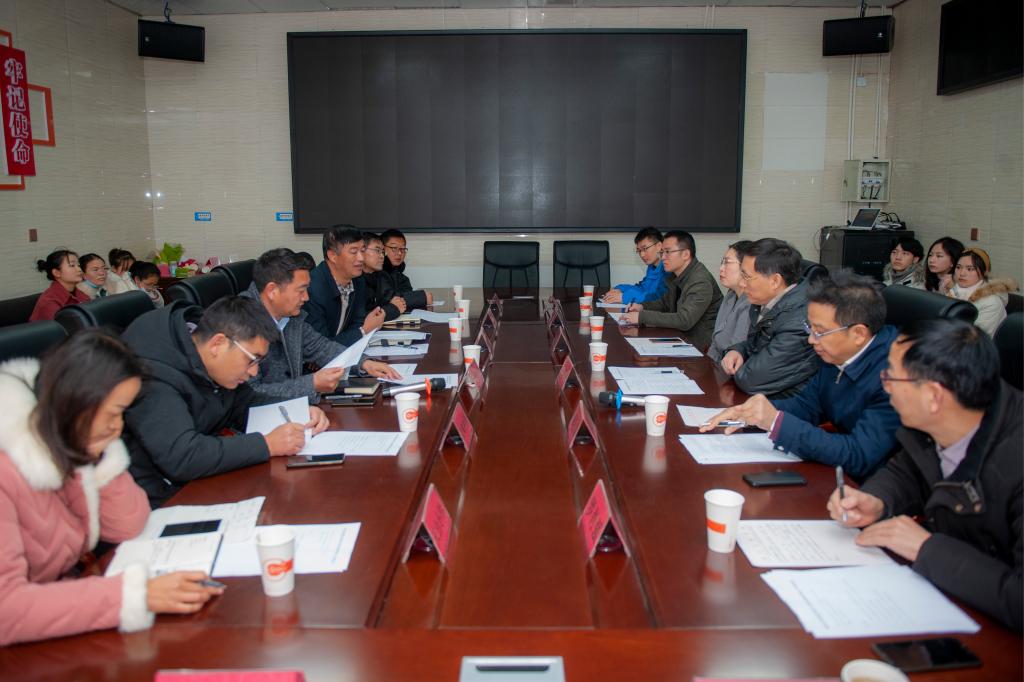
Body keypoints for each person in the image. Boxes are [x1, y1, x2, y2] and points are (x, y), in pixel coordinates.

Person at [0, 331, 223, 646]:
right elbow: (6, 610)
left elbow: (128, 525)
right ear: (78, 401)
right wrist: (134, 595)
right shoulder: (8, 467)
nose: (118, 426)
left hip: (58, 616)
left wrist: (103, 456)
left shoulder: (69, 445)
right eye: (114, 412)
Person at [828, 318, 1022, 632]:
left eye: (891, 375)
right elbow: (909, 471)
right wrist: (876, 499)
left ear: (934, 396)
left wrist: (927, 549)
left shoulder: (1014, 457)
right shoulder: (944, 420)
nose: (884, 384)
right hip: (952, 595)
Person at [121, 296, 330, 508]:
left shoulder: (206, 357)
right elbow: (183, 456)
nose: (254, 372)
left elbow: (244, 402)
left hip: (202, 480)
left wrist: (299, 410)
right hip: (155, 500)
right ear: (217, 344)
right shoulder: (153, 373)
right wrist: (267, 445)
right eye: (251, 360)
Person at [703, 271, 901, 479]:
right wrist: (752, 413)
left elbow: (858, 456)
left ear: (858, 334)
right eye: (810, 328)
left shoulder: (897, 376)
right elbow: (807, 406)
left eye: (820, 332)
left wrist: (776, 422)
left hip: (876, 485)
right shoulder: (835, 353)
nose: (811, 340)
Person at [241, 248, 399, 402]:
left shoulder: (290, 317)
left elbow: (322, 347)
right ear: (272, 290)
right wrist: (312, 384)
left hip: (293, 408)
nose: (306, 297)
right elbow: (249, 396)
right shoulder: (241, 323)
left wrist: (364, 363)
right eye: (301, 290)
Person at [721, 238, 819, 398]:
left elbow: (752, 380)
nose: (742, 283)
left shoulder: (800, 320)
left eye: (746, 276)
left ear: (775, 281)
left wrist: (739, 367)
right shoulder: (766, 302)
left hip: (786, 405)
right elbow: (756, 344)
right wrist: (737, 350)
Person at [623, 231, 722, 349]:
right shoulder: (675, 275)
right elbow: (664, 303)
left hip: (700, 347)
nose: (663, 257)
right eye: (662, 252)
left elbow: (684, 320)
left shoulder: (700, 281)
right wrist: (642, 307)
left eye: (668, 252)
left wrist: (642, 317)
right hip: (680, 337)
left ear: (685, 254)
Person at [305, 226, 386, 346]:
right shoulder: (312, 289)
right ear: (332, 255)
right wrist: (364, 330)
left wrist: (360, 330)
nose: (361, 258)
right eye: (354, 252)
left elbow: (357, 322)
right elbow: (320, 346)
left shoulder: (357, 280)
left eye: (362, 250)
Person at [944, 248, 1018, 336]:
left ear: (984, 272)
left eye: (970, 269)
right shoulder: (952, 291)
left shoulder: (992, 302)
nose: (962, 273)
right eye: (958, 267)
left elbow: (976, 337)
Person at [707, 240, 753, 363]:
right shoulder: (731, 295)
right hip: (716, 365)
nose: (721, 268)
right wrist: (707, 366)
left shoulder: (751, 302)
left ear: (746, 267)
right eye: (722, 262)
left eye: (727, 262)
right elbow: (715, 342)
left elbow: (735, 349)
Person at [600, 227, 667, 305]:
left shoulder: (668, 269)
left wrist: (625, 297)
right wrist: (621, 289)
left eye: (645, 249)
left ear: (659, 246)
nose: (642, 255)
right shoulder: (652, 267)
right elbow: (642, 288)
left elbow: (660, 299)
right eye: (639, 250)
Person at [29, 249, 90, 321]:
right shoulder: (49, 302)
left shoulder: (79, 293)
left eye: (78, 265)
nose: (79, 269)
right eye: (72, 265)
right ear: (57, 273)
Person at [381, 228, 432, 309]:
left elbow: (406, 297)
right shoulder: (378, 273)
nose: (399, 253)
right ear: (382, 249)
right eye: (394, 248)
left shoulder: (401, 276)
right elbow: (385, 299)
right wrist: (422, 297)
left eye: (402, 249)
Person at [361, 232, 406, 321]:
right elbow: (361, 318)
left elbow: (391, 299)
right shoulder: (353, 279)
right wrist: (392, 309)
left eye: (382, 252)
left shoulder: (381, 275)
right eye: (377, 251)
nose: (382, 256)